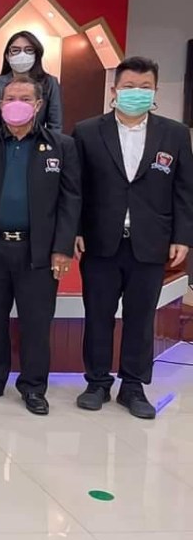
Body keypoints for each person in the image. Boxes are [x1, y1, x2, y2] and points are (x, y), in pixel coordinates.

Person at [74, 56, 193, 419]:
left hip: (151, 241)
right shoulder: (87, 131)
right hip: (100, 240)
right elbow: (75, 189)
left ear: (155, 92)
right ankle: (96, 382)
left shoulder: (174, 134)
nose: (136, 93)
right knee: (98, 315)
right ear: (114, 90)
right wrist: (75, 230)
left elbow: (184, 190)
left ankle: (133, 386)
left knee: (141, 319)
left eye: (145, 88)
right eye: (129, 87)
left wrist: (183, 236)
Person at [0, 76, 81, 415]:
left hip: (37, 252)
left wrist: (62, 247)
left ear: (38, 105)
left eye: (25, 98)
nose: (16, 104)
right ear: (0, 105)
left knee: (36, 323)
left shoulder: (61, 146)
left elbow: (71, 200)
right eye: (10, 98)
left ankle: (33, 386)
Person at [0, 31, 63, 132]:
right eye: (15, 50)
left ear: (36, 55)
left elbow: (55, 125)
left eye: (29, 50)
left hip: (38, 140)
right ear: (7, 56)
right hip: (2, 140)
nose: (22, 54)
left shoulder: (50, 83)